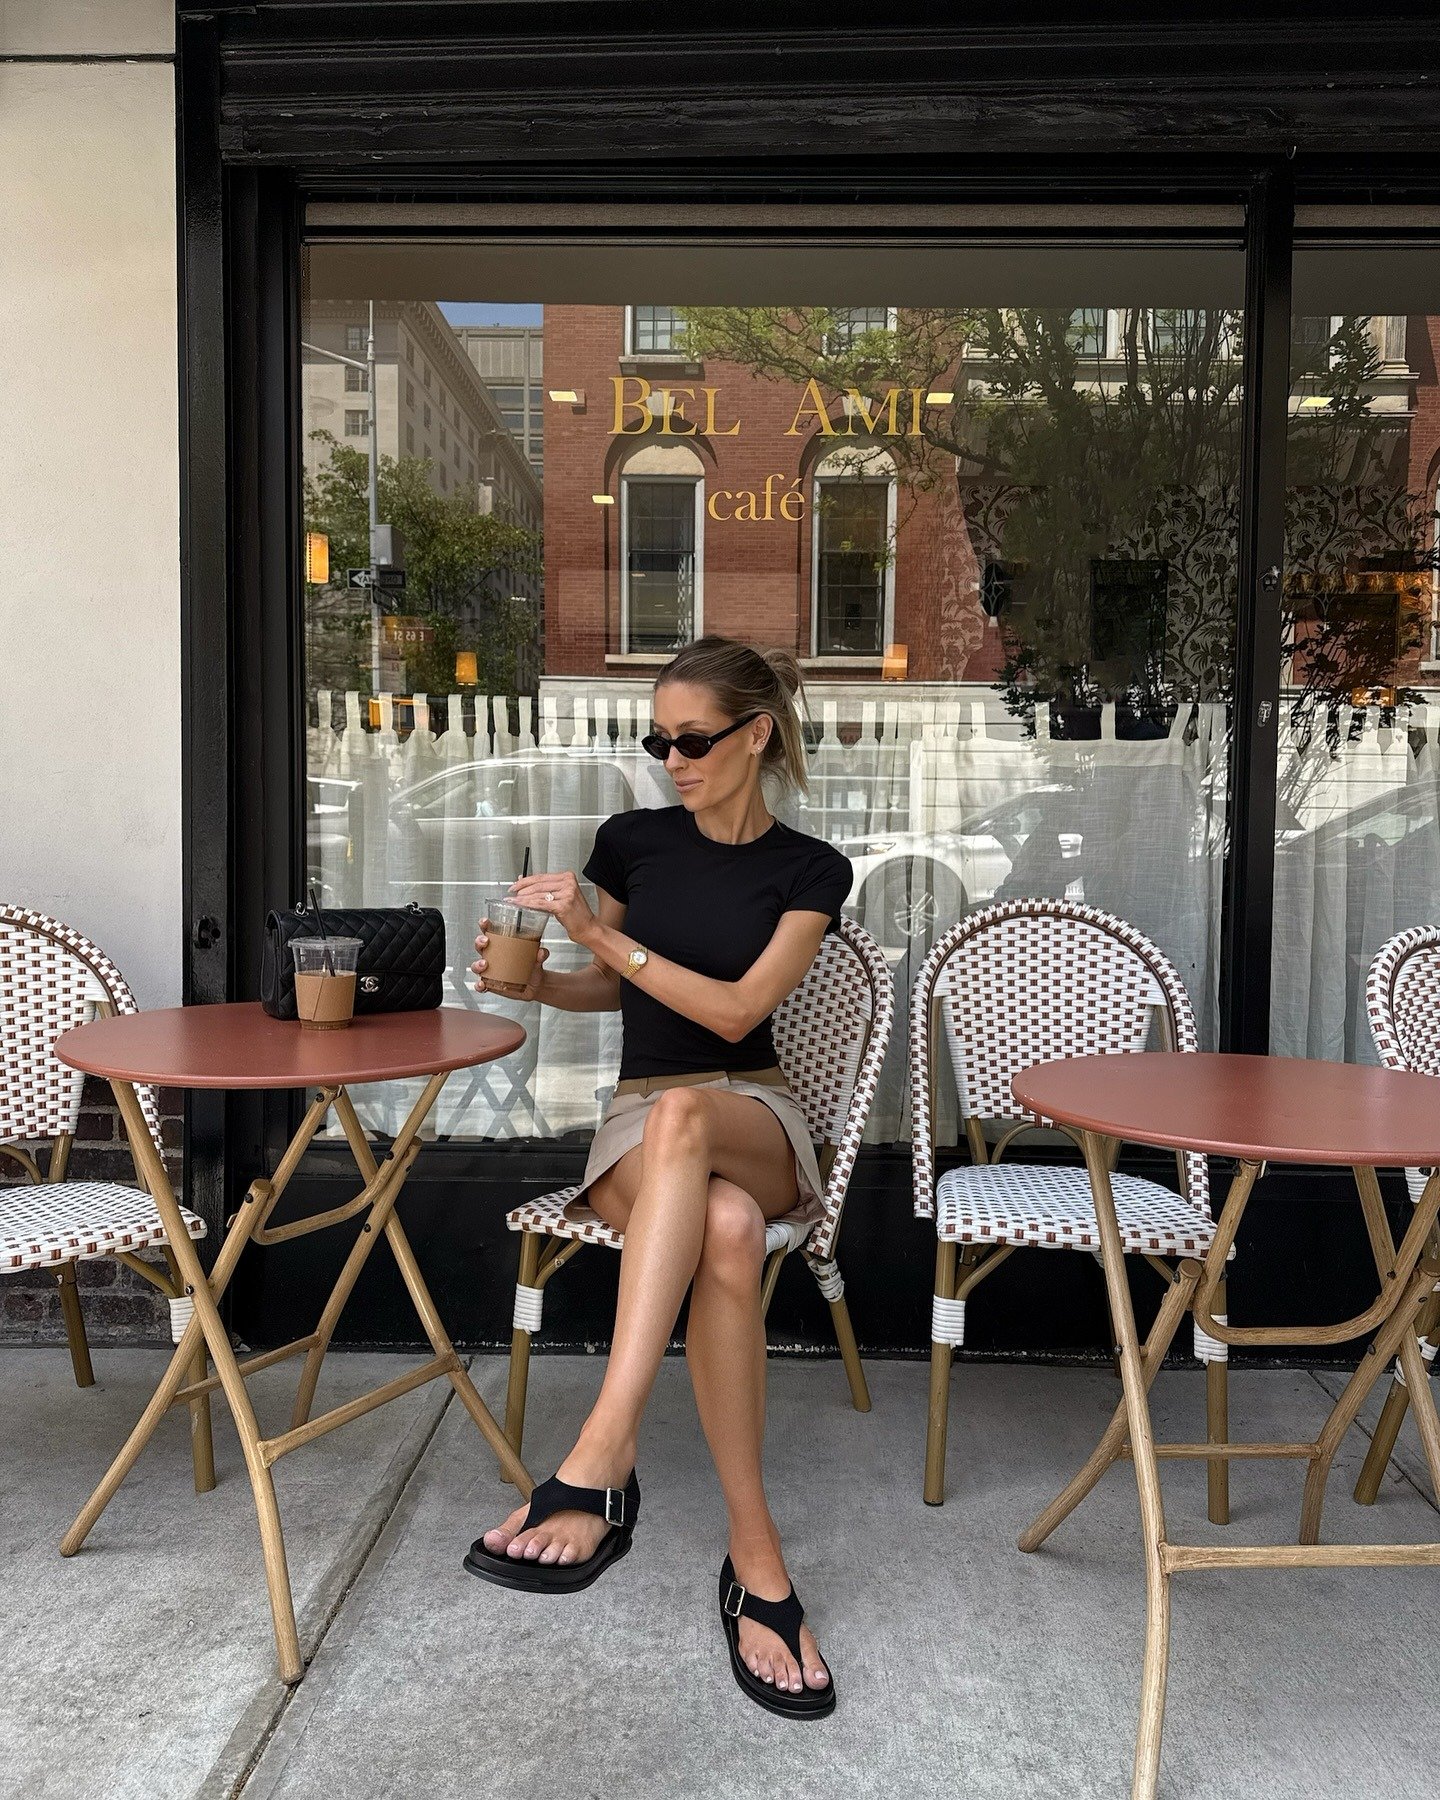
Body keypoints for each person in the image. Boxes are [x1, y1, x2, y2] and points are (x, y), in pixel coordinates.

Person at [462, 635, 853, 1720]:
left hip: (753, 1108)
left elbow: (732, 1013)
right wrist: (541, 982)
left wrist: (594, 933)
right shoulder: (631, 842)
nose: (672, 759)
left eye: (693, 739)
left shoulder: (811, 869)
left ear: (757, 735)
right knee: (723, 1230)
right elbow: (619, 993)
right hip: (645, 1125)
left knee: (699, 1124)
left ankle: (604, 1450)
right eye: (658, 740)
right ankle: (755, 1557)